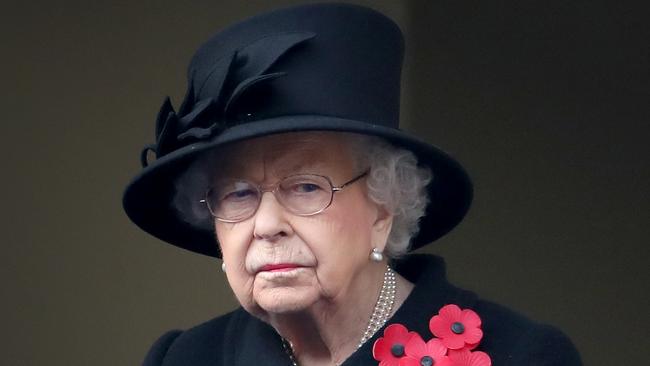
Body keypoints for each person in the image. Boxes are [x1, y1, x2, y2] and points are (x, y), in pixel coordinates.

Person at [123, 3, 582, 366]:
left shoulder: (522, 355)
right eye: (239, 193)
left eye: (305, 187)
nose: (266, 225)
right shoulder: (184, 358)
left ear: (384, 207)